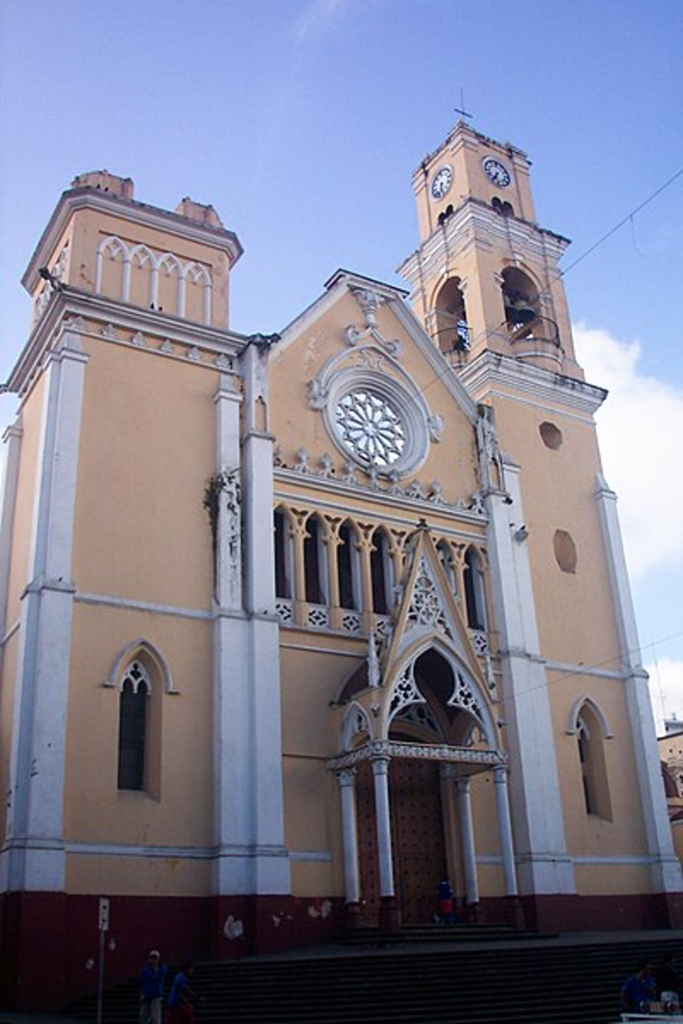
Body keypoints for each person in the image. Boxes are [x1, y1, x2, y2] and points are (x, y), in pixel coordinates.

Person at [139, 949, 167, 1024]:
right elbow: (143, 981)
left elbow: (160, 977)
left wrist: (155, 970)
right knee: (143, 1016)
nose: (153, 960)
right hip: (146, 995)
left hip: (156, 995)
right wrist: (142, 993)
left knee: (155, 1017)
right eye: (152, 957)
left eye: (155, 958)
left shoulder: (161, 968)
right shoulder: (146, 969)